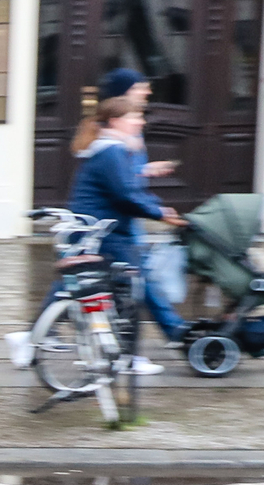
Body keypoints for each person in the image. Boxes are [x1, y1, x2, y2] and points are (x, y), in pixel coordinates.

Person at [69, 94, 184, 373]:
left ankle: (103, 351)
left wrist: (158, 208)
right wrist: (160, 213)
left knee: (100, 289)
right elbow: (125, 195)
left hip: (99, 229)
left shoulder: (110, 148)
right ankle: (130, 357)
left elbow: (127, 190)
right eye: (135, 116)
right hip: (104, 231)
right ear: (116, 121)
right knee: (132, 288)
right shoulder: (112, 151)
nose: (140, 121)